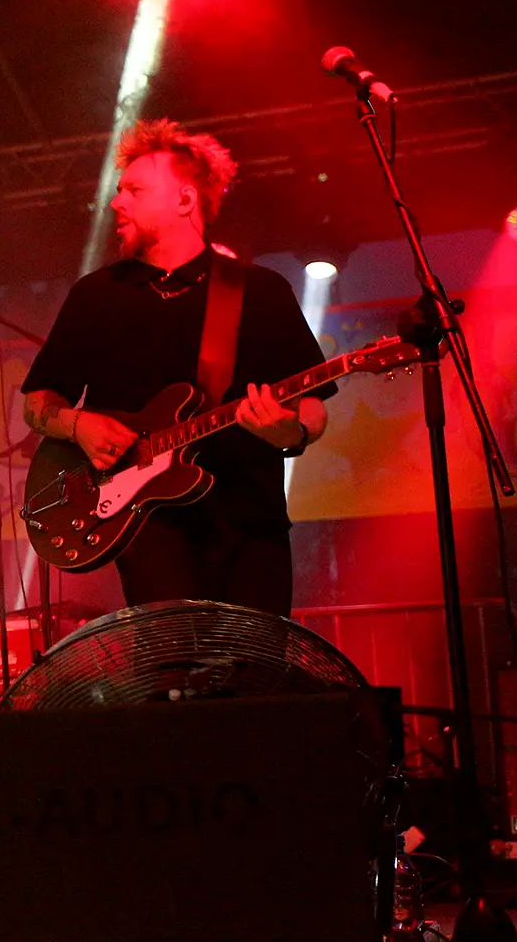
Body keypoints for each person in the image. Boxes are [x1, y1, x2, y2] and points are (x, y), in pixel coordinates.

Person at [20, 119, 333, 616]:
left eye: (135, 191)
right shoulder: (96, 296)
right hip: (150, 525)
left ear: (185, 200)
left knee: (255, 660)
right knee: (174, 658)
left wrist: (288, 433)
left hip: (252, 525)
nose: (116, 203)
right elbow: (37, 403)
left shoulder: (260, 291)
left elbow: (312, 408)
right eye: (119, 191)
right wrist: (78, 424)